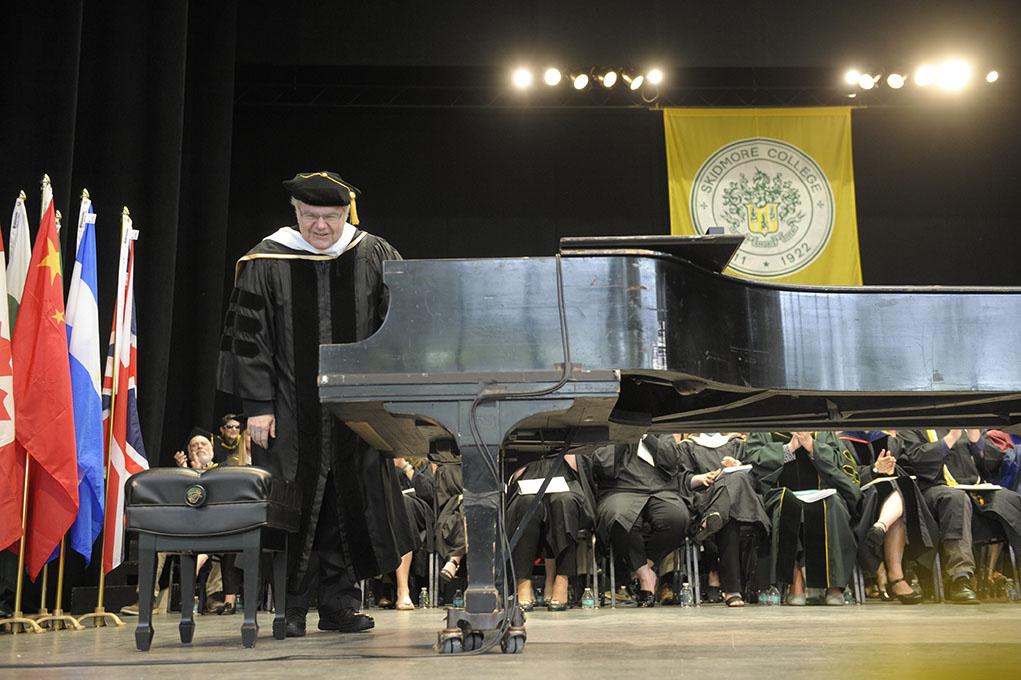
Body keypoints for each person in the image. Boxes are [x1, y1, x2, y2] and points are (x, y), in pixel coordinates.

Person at [217, 171, 415, 636]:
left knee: (347, 506)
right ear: (295, 212)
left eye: (329, 217)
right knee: (293, 502)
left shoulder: (372, 254)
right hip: (287, 407)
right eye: (310, 216)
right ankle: (290, 607)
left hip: (356, 409)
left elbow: (401, 325)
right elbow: (250, 338)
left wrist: (391, 399)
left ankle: (339, 605)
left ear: (346, 213)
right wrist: (257, 405)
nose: (320, 227)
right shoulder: (268, 259)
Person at [896, 429, 1021, 603]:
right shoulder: (914, 428)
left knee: (1012, 499)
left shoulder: (970, 426)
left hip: (977, 492)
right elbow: (916, 461)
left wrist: (977, 441)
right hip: (934, 492)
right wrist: (951, 437)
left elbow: (993, 464)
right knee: (956, 499)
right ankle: (961, 579)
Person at [745, 432, 860, 606]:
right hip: (778, 494)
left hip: (823, 493)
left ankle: (833, 585)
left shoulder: (822, 431)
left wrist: (813, 447)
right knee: (786, 505)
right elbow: (753, 462)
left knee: (834, 505)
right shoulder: (763, 429)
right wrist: (788, 449)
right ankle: (795, 582)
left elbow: (840, 464)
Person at [582, 434, 691, 607]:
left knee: (676, 518)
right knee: (620, 518)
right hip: (620, 489)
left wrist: (646, 436)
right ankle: (646, 578)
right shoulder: (609, 430)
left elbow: (672, 460)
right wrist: (626, 434)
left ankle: (642, 567)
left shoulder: (660, 430)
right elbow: (603, 464)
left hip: (662, 490)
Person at [840, 431, 933, 604]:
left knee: (901, 487)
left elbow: (908, 469)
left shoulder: (891, 440)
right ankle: (895, 576)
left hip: (895, 498)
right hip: (863, 501)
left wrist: (891, 467)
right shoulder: (842, 441)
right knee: (897, 496)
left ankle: (881, 529)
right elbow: (843, 477)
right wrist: (875, 470)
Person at [677, 433, 769, 607]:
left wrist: (739, 466)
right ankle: (732, 591)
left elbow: (755, 479)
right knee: (729, 517)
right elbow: (679, 479)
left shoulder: (737, 444)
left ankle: (713, 518)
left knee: (736, 483)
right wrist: (700, 478)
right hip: (703, 500)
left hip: (739, 505)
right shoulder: (687, 446)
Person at [506, 450, 596, 611]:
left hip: (565, 472)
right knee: (526, 504)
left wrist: (574, 457)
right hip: (529, 470)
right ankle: (523, 581)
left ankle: (562, 579)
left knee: (564, 502)